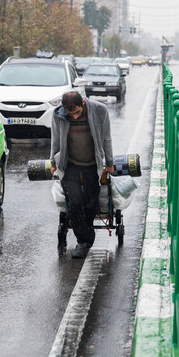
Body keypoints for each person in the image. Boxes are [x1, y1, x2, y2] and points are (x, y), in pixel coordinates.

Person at [50, 91, 114, 259]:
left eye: (78, 112)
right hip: (70, 164)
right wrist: (52, 163)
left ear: (83, 104)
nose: (75, 117)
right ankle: (83, 241)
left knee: (90, 202)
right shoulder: (58, 114)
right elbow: (55, 140)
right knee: (74, 202)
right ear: (65, 109)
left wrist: (109, 163)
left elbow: (106, 139)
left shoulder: (100, 111)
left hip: (92, 164)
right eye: (71, 114)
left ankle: (87, 236)